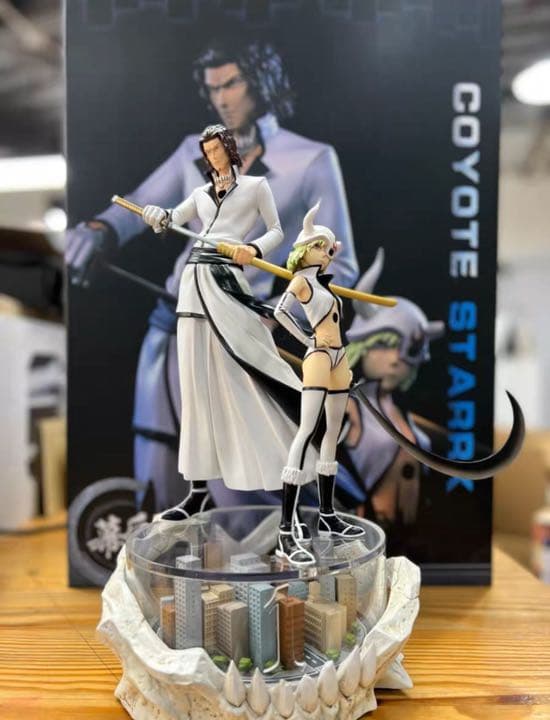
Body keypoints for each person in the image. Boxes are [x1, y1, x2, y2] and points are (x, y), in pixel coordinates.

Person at [66, 39, 358, 510]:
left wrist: (278, 314)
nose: (222, 99)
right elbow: (143, 207)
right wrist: (102, 229)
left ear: (259, 83)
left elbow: (339, 265)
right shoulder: (194, 155)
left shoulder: (309, 159)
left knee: (240, 475)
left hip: (241, 328)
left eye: (232, 84)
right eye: (213, 89)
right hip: (173, 323)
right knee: (159, 460)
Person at [140, 124, 316, 520]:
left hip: (227, 281)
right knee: (196, 389)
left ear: (230, 149)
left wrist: (253, 248)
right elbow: (171, 218)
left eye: (217, 149)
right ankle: (198, 490)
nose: (212, 157)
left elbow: (276, 231)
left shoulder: (255, 187)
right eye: (207, 152)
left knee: (254, 362)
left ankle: (292, 458)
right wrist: (157, 216)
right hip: (193, 284)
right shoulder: (201, 194)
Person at [273, 203, 364, 566]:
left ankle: (327, 514)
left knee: (332, 433)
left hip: (339, 359)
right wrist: (306, 339)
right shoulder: (301, 281)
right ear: (305, 249)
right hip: (319, 357)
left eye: (329, 248)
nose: (327, 253)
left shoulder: (323, 283)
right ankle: (285, 529)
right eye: (321, 247)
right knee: (307, 430)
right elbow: (280, 311)